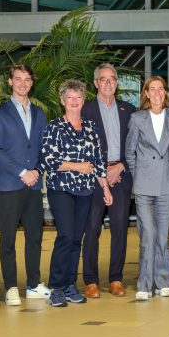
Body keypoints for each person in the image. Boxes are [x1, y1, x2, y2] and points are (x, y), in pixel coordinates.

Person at [39, 79, 114, 307]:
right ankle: (56, 287)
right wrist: (77, 166)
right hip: (61, 189)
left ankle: (71, 284)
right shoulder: (54, 127)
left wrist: (105, 187)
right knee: (66, 236)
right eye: (69, 97)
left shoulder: (90, 127)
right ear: (63, 101)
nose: (74, 101)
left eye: (78, 97)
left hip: (85, 190)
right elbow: (48, 160)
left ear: (83, 100)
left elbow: (98, 161)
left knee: (77, 239)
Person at [0, 65, 49, 306]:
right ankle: (11, 287)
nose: (23, 83)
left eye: (27, 79)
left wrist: (37, 171)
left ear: (31, 83)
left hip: (34, 185)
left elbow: (45, 148)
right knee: (8, 239)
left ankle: (34, 284)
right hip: (9, 184)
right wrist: (23, 171)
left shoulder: (39, 114)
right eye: (18, 79)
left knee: (35, 237)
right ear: (10, 82)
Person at [81, 63, 135, 299]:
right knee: (92, 228)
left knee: (120, 229)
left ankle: (116, 278)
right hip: (94, 178)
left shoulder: (129, 110)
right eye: (103, 79)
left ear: (117, 83)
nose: (108, 83)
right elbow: (80, 148)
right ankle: (91, 280)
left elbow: (135, 146)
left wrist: (121, 165)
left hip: (121, 176)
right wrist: (102, 171)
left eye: (112, 79)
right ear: (96, 83)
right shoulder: (84, 110)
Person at [124, 76, 169, 301]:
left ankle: (163, 280)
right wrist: (139, 176)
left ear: (165, 93)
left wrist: (167, 168)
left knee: (163, 235)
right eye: (152, 89)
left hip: (167, 184)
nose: (156, 93)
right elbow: (130, 152)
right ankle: (144, 284)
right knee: (148, 235)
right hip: (144, 185)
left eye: (160, 89)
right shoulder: (137, 119)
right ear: (145, 93)